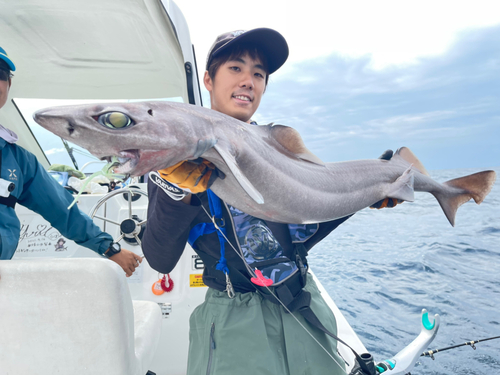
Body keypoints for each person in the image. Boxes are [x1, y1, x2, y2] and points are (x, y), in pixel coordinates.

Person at [142, 29, 394, 375]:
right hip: (234, 320)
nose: (248, 80)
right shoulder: (176, 156)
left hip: (303, 308)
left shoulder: (278, 147)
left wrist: (366, 194)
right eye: (235, 68)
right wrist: (180, 191)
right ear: (208, 80)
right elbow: (160, 259)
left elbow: (306, 225)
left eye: (258, 74)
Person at [0, 46, 142, 276]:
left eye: (0, 73)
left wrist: (110, 248)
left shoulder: (20, 161)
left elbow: (61, 209)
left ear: (8, 84)